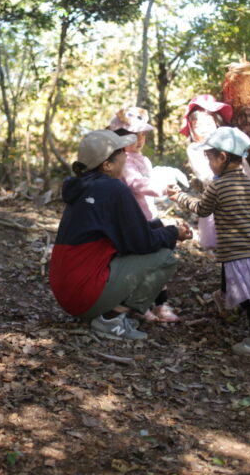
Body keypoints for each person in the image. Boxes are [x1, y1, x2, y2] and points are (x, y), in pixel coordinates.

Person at [49, 130, 192, 341]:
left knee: (156, 245)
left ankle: (107, 311)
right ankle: (111, 319)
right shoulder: (114, 188)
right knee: (164, 258)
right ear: (107, 165)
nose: (127, 156)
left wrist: (161, 224)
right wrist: (173, 233)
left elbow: (126, 233)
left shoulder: (85, 187)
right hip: (83, 294)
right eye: (122, 152)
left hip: (68, 291)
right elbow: (141, 243)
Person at [167, 127, 250, 357]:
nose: (209, 163)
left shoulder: (218, 185)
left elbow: (202, 209)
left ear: (222, 157)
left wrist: (178, 197)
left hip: (237, 254)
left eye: (210, 158)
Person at [107, 106, 188, 322]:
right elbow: (136, 184)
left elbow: (147, 182)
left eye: (142, 134)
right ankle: (139, 304)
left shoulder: (143, 159)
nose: (139, 139)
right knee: (145, 262)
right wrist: (162, 187)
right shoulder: (121, 160)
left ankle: (160, 303)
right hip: (134, 220)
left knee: (160, 259)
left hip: (150, 215)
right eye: (133, 135)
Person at [179, 95, 250, 251]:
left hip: (242, 199)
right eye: (197, 125)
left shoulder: (229, 145)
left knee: (247, 237)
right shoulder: (195, 149)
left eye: (208, 123)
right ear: (191, 128)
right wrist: (224, 185)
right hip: (218, 198)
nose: (203, 128)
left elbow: (246, 170)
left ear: (216, 122)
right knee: (226, 243)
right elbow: (204, 175)